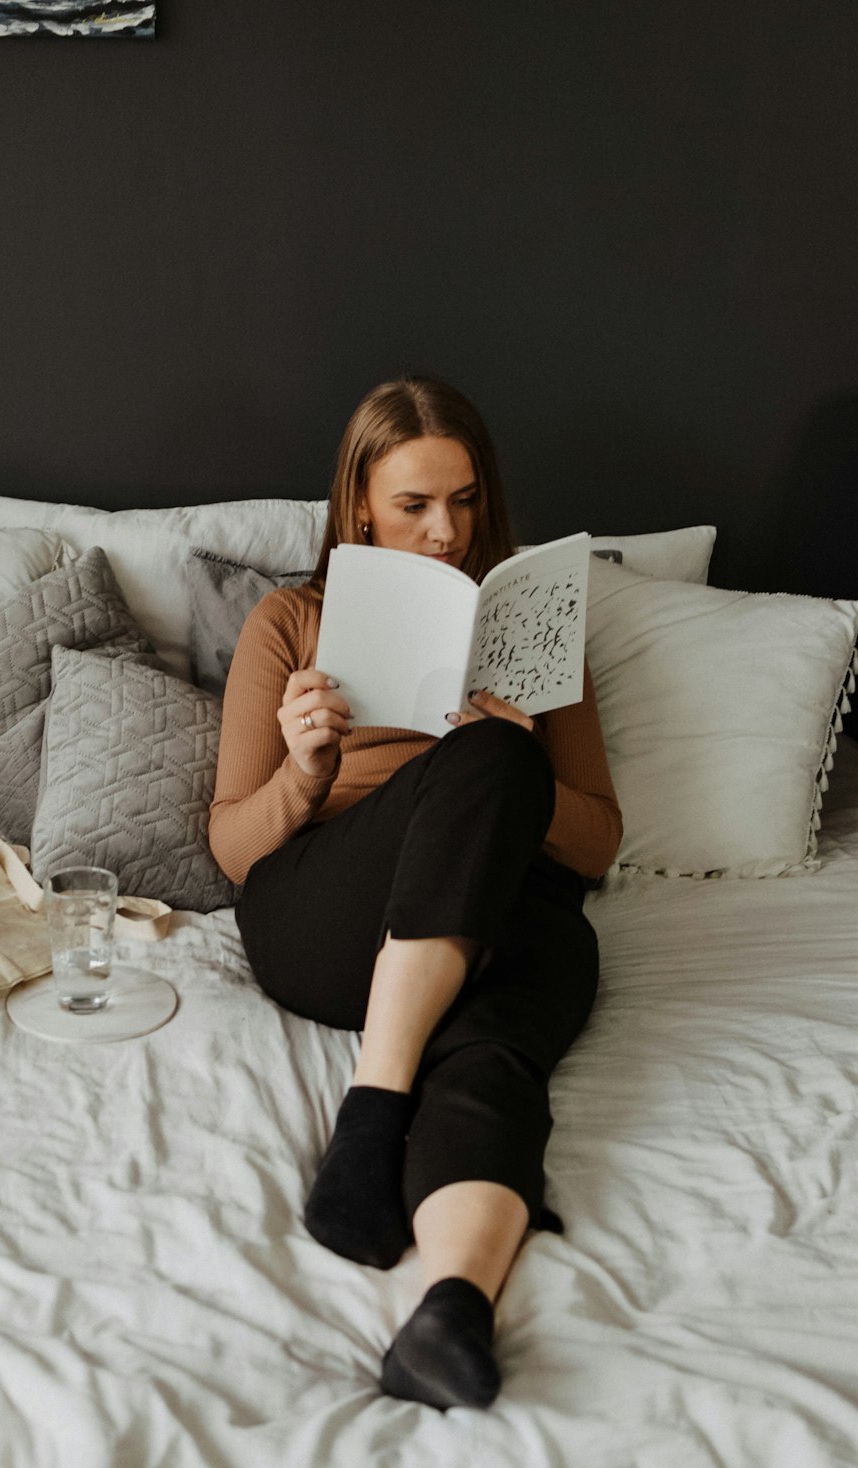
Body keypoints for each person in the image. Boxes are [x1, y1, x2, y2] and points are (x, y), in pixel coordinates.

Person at [209, 376, 622, 1412]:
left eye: (466, 500)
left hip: (505, 904)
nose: (447, 530)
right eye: (414, 504)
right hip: (334, 908)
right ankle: (375, 1101)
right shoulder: (287, 618)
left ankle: (450, 1308)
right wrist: (303, 773)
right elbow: (227, 846)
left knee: (495, 1057)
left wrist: (517, 753)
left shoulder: (530, 623)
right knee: (481, 765)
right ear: (357, 506)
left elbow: (599, 840)